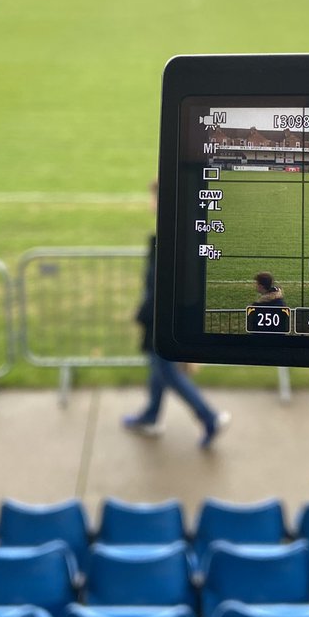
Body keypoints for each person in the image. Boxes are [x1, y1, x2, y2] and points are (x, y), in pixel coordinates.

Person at [124, 181, 231, 448]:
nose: (150, 203)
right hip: (160, 317)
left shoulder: (171, 240)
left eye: (154, 198)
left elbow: (162, 286)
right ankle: (151, 416)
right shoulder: (171, 235)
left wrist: (143, 313)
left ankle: (209, 417)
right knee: (157, 367)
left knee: (167, 371)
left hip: (162, 318)